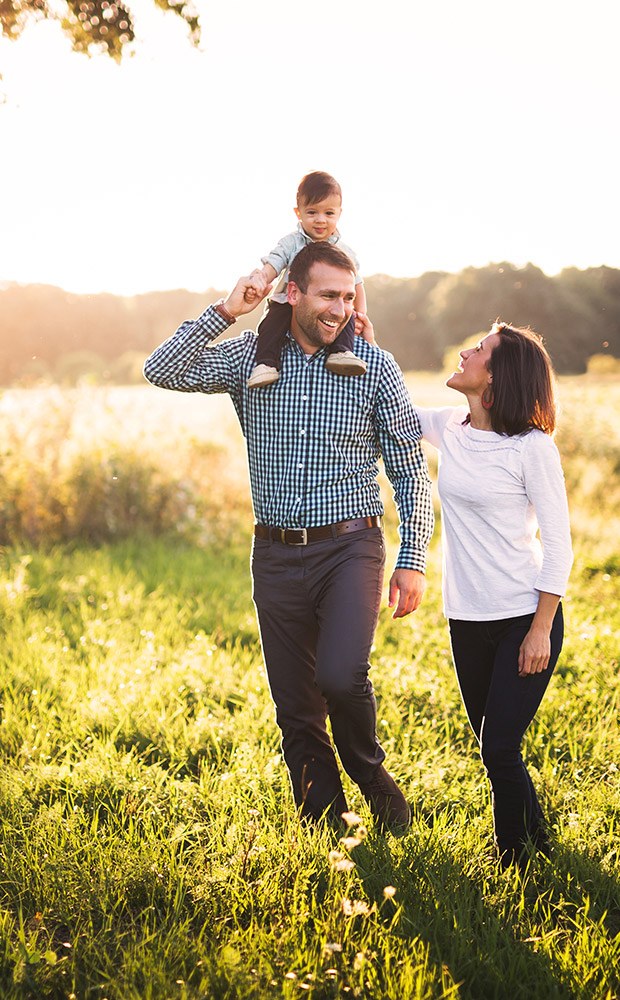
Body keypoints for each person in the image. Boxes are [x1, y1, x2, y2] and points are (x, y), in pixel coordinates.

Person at [144, 241, 434, 830]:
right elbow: (162, 369)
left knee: (340, 676)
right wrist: (227, 310)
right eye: (328, 295)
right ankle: (325, 825)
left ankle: (371, 777)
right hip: (274, 554)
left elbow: (408, 470)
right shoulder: (253, 358)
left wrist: (413, 558)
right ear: (293, 293)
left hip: (350, 546)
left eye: (348, 297)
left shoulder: (374, 367)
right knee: (297, 707)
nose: (340, 309)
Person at [416, 322, 573, 868]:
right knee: (495, 748)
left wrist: (539, 630)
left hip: (524, 617)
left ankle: (517, 865)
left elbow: (559, 548)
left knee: (498, 747)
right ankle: (540, 843)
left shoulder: (532, 448)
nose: (464, 351)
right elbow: (383, 404)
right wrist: (359, 331)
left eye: (478, 349)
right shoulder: (449, 427)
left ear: (496, 375)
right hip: (466, 617)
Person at [245, 170, 368, 388]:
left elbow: (356, 283)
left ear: (339, 213)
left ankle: (342, 352)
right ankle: (266, 364)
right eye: (312, 212)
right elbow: (275, 262)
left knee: (344, 316)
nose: (320, 220)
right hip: (287, 301)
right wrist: (261, 279)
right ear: (298, 212)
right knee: (271, 324)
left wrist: (360, 313)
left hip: (330, 307)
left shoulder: (344, 251)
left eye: (329, 213)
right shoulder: (291, 243)